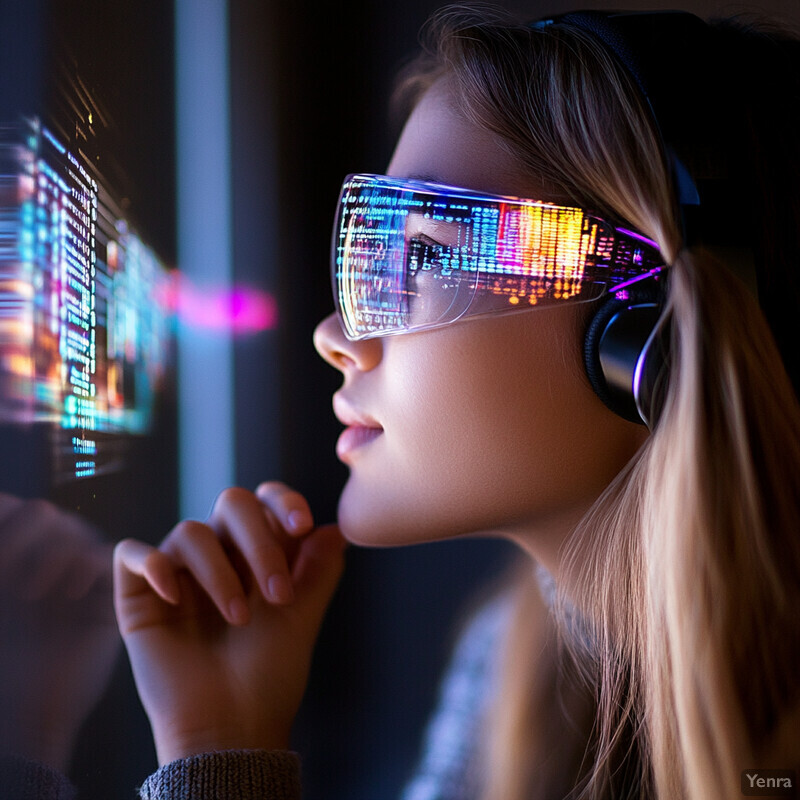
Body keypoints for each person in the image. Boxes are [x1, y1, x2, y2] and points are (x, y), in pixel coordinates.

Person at [21, 4, 793, 799]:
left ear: (639, 335)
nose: (335, 334)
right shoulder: (513, 668)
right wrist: (217, 740)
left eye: (422, 252)